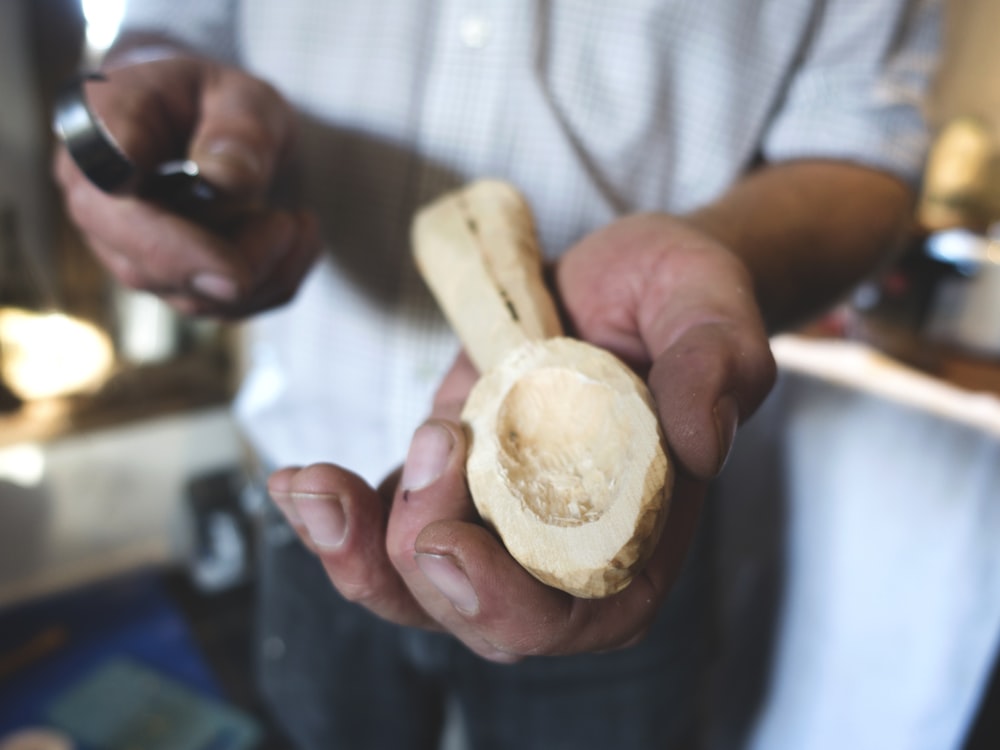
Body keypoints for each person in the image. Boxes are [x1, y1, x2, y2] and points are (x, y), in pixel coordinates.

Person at [53, 1, 942, 747]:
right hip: (316, 483)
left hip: (663, 493)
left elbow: (866, 143)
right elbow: (170, 32)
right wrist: (138, 115)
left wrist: (716, 258)